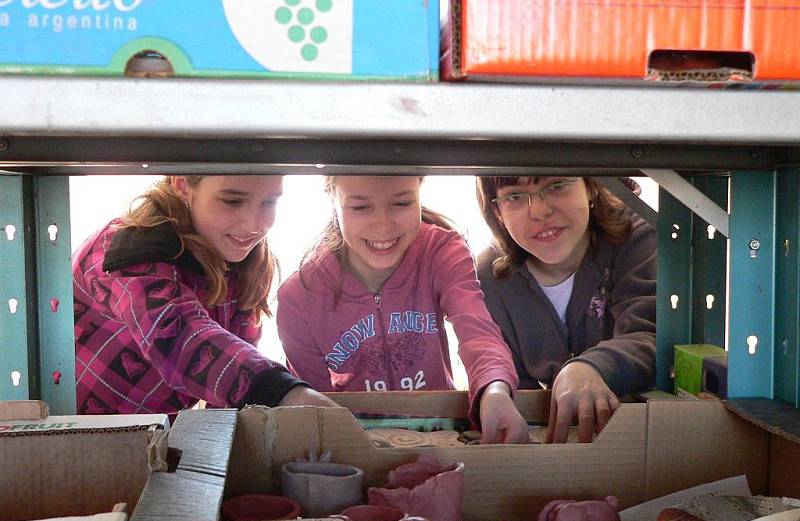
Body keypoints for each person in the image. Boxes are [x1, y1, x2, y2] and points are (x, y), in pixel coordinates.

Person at [276, 176, 528, 444]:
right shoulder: (298, 297)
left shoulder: (442, 252)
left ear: (420, 190)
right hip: (358, 443)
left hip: (442, 435)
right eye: (360, 208)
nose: (383, 225)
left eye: (402, 203)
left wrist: (495, 389)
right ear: (332, 198)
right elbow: (315, 406)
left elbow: (477, 332)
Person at [73, 175, 336, 417]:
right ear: (182, 184)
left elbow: (230, 379)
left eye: (269, 202)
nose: (254, 225)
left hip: (157, 439)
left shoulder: (245, 259)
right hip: (75, 438)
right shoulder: (127, 249)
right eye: (232, 201)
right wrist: (283, 392)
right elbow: (179, 339)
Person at [475, 176, 656, 443]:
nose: (539, 211)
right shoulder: (491, 277)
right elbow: (514, 384)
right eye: (514, 196)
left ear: (591, 186)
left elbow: (656, 335)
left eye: (557, 186)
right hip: (558, 446)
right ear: (497, 212)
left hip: (641, 431)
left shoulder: (636, 239)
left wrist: (593, 367)